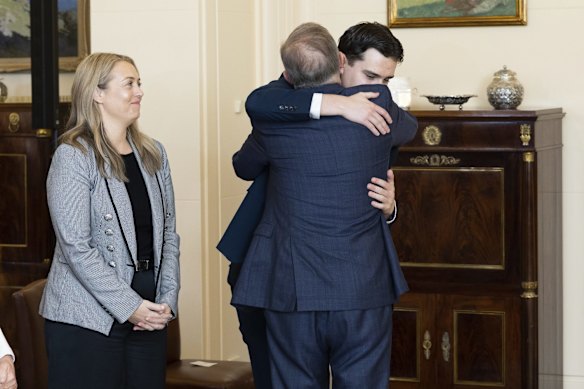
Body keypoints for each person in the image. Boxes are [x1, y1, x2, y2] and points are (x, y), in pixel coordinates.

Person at [217, 21, 404, 388]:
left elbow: (245, 163)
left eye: (385, 82)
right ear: (341, 62)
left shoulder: (370, 111)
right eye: (369, 76)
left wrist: (390, 207)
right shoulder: (278, 107)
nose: (377, 89)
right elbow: (259, 101)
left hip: (306, 280)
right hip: (277, 272)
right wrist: (332, 103)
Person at [39, 52, 180, 389]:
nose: (139, 91)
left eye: (139, 83)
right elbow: (77, 248)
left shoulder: (153, 153)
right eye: (129, 83)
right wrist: (128, 305)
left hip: (147, 314)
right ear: (97, 93)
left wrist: (166, 301)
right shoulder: (73, 156)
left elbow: (169, 235)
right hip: (85, 318)